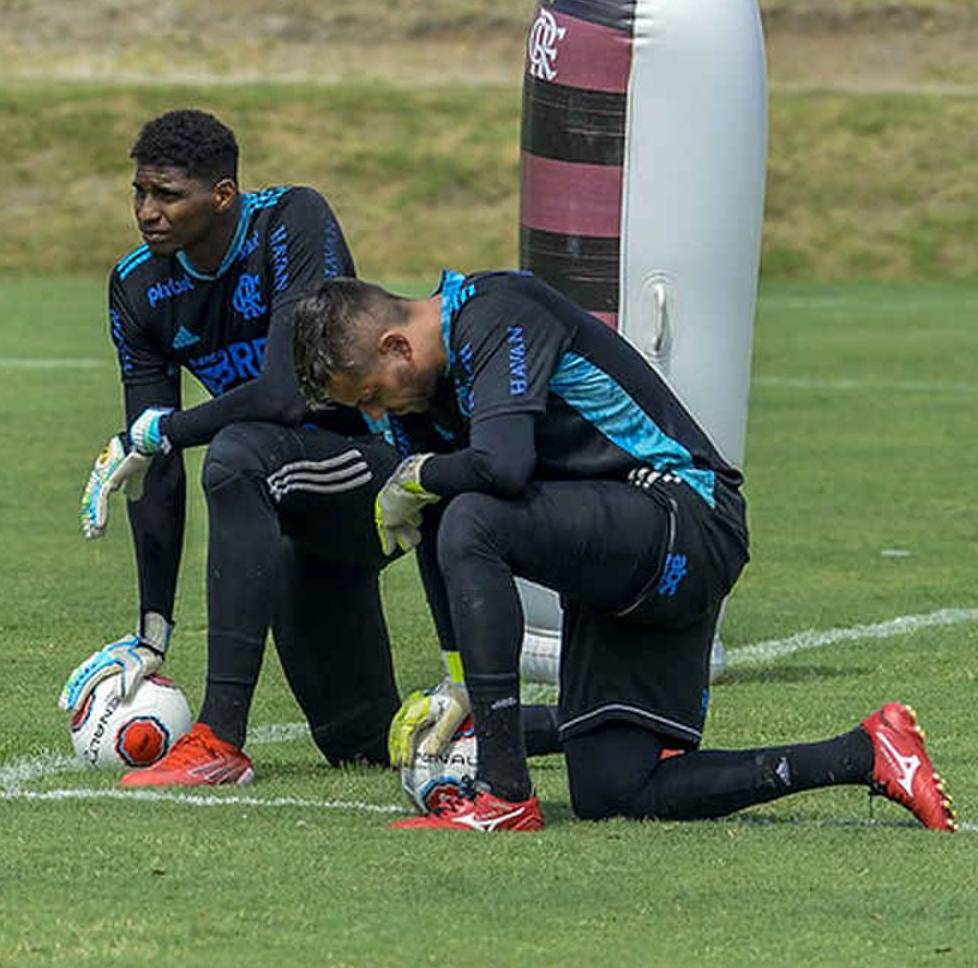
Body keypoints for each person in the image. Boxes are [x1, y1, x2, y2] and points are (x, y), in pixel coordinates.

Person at [289, 271, 958, 831]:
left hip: (689, 520)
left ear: (397, 345)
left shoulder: (495, 314)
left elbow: (503, 467)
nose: (379, 416)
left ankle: (504, 793)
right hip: (622, 558)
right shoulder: (421, 404)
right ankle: (866, 752)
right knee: (615, 792)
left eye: (374, 395)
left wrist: (421, 476)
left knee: (471, 512)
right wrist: (460, 680)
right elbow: (440, 528)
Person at [70, 109, 411, 786]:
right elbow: (152, 463)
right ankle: (582, 727)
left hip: (385, 475)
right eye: (139, 192)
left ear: (222, 195)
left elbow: (287, 394)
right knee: (367, 743)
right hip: (293, 510)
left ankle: (220, 738)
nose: (147, 211)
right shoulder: (138, 288)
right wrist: (152, 631)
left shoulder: (291, 223)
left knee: (235, 454)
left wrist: (161, 433)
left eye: (167, 195)